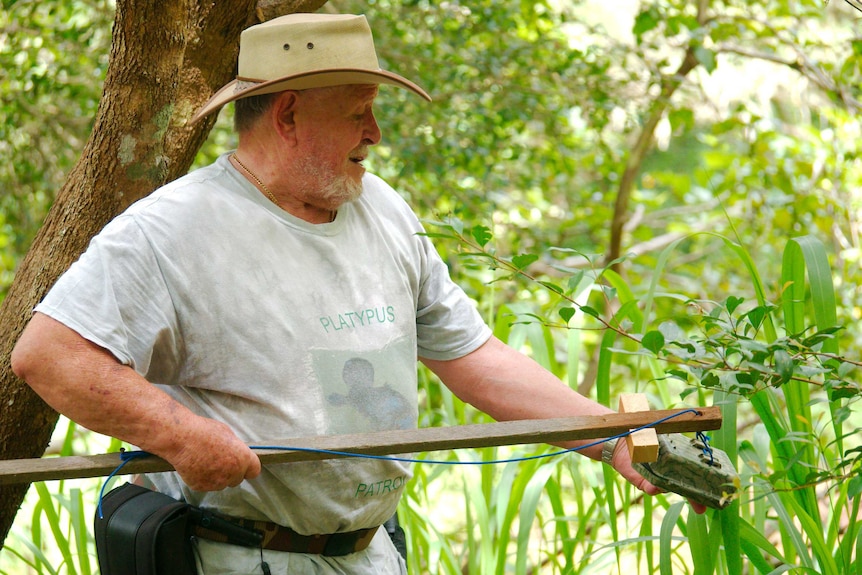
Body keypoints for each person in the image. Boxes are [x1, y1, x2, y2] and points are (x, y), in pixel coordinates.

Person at [11, 12, 697, 575]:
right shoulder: (175, 229)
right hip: (236, 555)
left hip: (369, 552)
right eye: (358, 113)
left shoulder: (384, 210)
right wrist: (180, 433)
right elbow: (48, 354)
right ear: (287, 116)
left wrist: (609, 437)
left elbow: (474, 356)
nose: (375, 133)